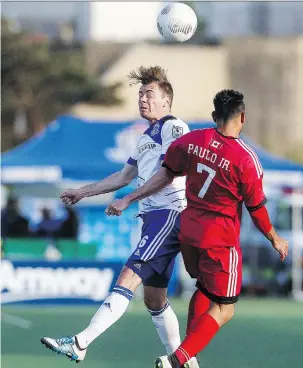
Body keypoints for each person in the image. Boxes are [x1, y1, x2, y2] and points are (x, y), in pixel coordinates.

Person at [107, 89, 289, 368]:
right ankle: (178, 359)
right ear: (243, 116)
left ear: (215, 116)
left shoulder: (191, 141)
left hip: (189, 235)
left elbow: (167, 173)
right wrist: (275, 238)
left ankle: (190, 354)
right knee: (225, 309)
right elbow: (256, 209)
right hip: (220, 241)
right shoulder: (245, 158)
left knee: (204, 290)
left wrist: (132, 196)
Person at [40, 66, 198, 367]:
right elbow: (123, 175)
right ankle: (185, 362)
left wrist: (127, 200)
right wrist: (82, 192)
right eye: (139, 94)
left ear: (166, 100)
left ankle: (80, 343)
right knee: (154, 299)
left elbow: (169, 172)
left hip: (169, 215)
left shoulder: (173, 126)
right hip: (154, 218)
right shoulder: (146, 136)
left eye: (148, 94)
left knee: (129, 276)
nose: (142, 99)